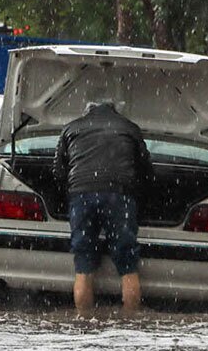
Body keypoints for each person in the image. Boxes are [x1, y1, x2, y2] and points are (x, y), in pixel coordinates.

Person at [53, 99, 153, 317]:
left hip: (81, 195)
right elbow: (146, 171)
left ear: (87, 111)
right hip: (119, 195)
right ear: (115, 111)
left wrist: (71, 195)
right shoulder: (129, 128)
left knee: (83, 263)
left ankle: (84, 319)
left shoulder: (71, 128)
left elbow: (59, 173)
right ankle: (130, 321)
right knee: (127, 263)